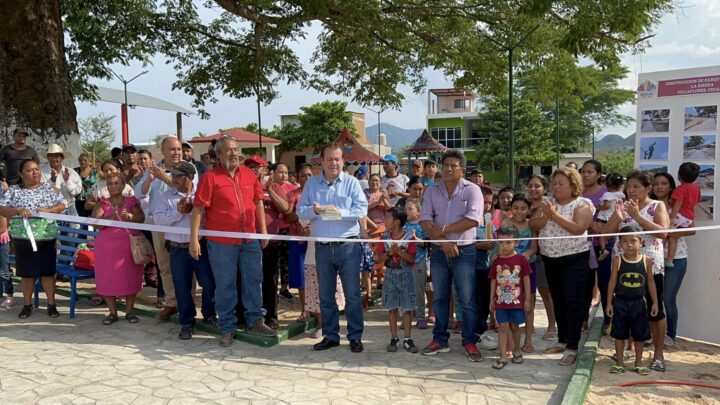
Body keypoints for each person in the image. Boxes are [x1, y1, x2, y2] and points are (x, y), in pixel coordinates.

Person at [190, 136, 276, 346]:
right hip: (221, 243)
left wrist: (262, 230)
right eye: (228, 150)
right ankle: (227, 326)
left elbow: (257, 203)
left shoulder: (248, 174)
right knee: (225, 284)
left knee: (254, 280)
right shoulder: (209, 178)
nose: (234, 153)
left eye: (236, 149)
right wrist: (194, 240)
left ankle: (255, 321)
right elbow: (198, 210)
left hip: (249, 239)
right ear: (218, 155)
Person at [297, 142, 368, 353]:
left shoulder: (352, 183)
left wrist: (335, 212)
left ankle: (355, 337)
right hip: (322, 247)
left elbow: (360, 210)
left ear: (342, 161)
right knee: (326, 295)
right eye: (329, 159)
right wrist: (315, 211)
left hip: (348, 246)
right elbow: (301, 211)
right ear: (322, 161)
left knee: (353, 294)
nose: (333, 163)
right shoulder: (311, 184)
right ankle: (331, 336)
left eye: (337, 159)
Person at [598, 170, 669, 372]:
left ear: (648, 188)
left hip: (649, 266)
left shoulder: (657, 205)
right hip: (622, 267)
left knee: (654, 310)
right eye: (629, 187)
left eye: (637, 186)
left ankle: (658, 355)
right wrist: (618, 216)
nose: (632, 190)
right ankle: (628, 350)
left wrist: (638, 216)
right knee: (625, 309)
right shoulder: (622, 205)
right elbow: (606, 233)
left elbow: (663, 232)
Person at [419, 149, 484, 361]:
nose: (448, 168)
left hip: (465, 250)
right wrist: (444, 242)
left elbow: (473, 220)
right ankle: (440, 338)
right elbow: (425, 220)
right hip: (439, 250)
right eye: (445, 164)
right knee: (440, 297)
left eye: (453, 165)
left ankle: (469, 341)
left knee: (466, 298)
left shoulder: (472, 190)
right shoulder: (431, 191)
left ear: (462, 170)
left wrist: (443, 230)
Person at [537, 167, 594, 366]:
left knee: (573, 301)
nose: (556, 187)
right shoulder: (548, 203)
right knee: (558, 301)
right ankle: (562, 340)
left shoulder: (583, 204)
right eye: (555, 183)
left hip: (575, 258)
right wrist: (545, 214)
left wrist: (553, 216)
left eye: (561, 183)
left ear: (573, 185)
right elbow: (534, 225)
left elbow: (579, 228)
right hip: (550, 258)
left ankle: (572, 346)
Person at [153, 161, 216, 339]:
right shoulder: (165, 196)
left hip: (201, 245)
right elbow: (159, 220)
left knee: (209, 282)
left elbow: (210, 217)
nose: (173, 179)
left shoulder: (202, 192)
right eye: (172, 175)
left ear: (189, 177)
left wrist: (193, 211)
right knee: (182, 287)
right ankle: (187, 322)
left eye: (177, 176)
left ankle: (209, 314)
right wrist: (179, 212)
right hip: (177, 249)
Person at [136, 137, 196, 321]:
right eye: (172, 149)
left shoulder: (188, 168)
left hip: (183, 223)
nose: (176, 152)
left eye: (178, 149)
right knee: (164, 265)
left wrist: (167, 179)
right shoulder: (155, 168)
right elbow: (140, 192)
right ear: (162, 151)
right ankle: (171, 302)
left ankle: (189, 303)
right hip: (160, 222)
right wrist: (151, 178)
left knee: (188, 266)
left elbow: (191, 190)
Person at [0, 159, 65, 319]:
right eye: (30, 170)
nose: (35, 172)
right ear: (22, 174)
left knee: (48, 273)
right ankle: (27, 305)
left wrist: (48, 210)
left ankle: (51, 305)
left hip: (46, 237)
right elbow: (2, 208)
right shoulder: (14, 190)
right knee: (27, 274)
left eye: (37, 169)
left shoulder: (48, 188)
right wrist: (17, 210)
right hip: (23, 239)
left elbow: (62, 205)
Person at [91, 174, 146, 325]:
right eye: (110, 183)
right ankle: (112, 312)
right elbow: (95, 223)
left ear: (123, 186)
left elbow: (141, 218)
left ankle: (129, 311)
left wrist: (129, 216)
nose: (113, 186)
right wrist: (111, 218)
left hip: (128, 247)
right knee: (108, 278)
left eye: (117, 183)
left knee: (130, 277)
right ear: (106, 186)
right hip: (107, 249)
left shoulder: (131, 201)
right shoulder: (102, 203)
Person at [607, 225, 658, 376]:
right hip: (620, 302)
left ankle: (638, 362)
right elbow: (612, 282)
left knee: (639, 334)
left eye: (633, 241)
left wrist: (654, 302)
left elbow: (650, 282)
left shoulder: (646, 260)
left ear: (641, 242)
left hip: (639, 303)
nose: (629, 245)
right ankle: (620, 362)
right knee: (619, 333)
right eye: (625, 241)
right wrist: (609, 302)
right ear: (619, 244)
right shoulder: (618, 260)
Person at [651, 173, 692, 348]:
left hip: (676, 259)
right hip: (653, 257)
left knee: (668, 298)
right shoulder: (649, 206)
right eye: (656, 184)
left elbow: (692, 230)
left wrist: (670, 234)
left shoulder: (677, 207)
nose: (659, 187)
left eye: (664, 183)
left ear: (671, 186)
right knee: (652, 298)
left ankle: (670, 335)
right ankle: (651, 334)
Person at [373, 207, 419, 353]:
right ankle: (393, 338)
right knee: (392, 307)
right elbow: (378, 258)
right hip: (390, 275)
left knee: (407, 308)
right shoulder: (385, 238)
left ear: (397, 222)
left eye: (387, 218)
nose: (384, 221)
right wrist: (389, 253)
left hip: (406, 275)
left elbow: (411, 258)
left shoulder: (409, 238)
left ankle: (407, 338)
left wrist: (399, 251)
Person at [489, 225, 532, 370]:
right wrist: (491, 299)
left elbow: (526, 279)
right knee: (502, 327)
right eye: (501, 242)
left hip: (516, 301)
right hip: (501, 302)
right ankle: (502, 355)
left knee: (515, 326)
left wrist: (527, 299)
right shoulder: (496, 261)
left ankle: (517, 351)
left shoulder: (521, 260)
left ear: (516, 242)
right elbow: (493, 280)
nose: (504, 246)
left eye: (508, 242)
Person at [259, 163, 297, 329]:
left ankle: (271, 316)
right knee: (251, 279)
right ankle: (250, 314)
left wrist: (269, 189)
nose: (283, 175)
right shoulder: (251, 186)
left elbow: (284, 209)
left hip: (272, 240)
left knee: (270, 278)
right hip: (250, 240)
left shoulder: (281, 189)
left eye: (285, 172)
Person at [502, 193, 538, 353]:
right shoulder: (505, 223)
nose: (519, 211)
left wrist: (528, 254)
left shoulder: (532, 225)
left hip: (529, 267)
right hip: (509, 272)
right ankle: (510, 343)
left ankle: (528, 339)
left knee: (529, 304)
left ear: (529, 209)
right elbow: (500, 246)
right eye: (515, 208)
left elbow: (534, 246)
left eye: (523, 208)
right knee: (509, 303)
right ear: (511, 208)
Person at [526, 175, 557, 341]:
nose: (533, 189)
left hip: (543, 253)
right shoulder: (523, 204)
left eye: (537, 186)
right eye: (530, 185)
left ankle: (552, 325)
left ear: (545, 188)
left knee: (545, 292)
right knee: (526, 292)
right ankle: (528, 325)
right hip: (524, 254)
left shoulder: (549, 204)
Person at [580, 160, 610, 331]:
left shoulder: (607, 193)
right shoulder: (577, 194)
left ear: (599, 174)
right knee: (584, 284)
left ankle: (608, 321)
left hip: (604, 246)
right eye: (583, 172)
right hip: (583, 245)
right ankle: (583, 320)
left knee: (605, 285)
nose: (586, 175)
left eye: (590, 172)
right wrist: (591, 223)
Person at [285, 163, 313, 321]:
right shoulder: (292, 194)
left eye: (310, 175)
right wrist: (302, 212)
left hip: (315, 240)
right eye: (304, 175)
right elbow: (288, 217)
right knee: (302, 276)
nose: (307, 178)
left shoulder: (318, 193)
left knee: (318, 275)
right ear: (297, 177)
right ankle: (305, 309)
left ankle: (318, 308)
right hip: (298, 240)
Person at [474, 186, 498, 350]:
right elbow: (463, 242)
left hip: (487, 267)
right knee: (474, 301)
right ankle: (476, 332)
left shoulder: (489, 222)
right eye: (484, 202)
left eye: (489, 203)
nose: (487, 206)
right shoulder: (470, 220)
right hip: (471, 267)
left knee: (484, 301)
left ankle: (481, 330)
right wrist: (479, 245)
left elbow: (495, 241)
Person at [402, 199, 431, 329]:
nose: (406, 211)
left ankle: (420, 317)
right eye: (405, 209)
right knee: (405, 290)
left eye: (410, 209)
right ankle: (406, 316)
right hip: (404, 261)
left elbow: (427, 244)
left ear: (418, 212)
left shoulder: (422, 226)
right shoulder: (402, 225)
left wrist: (416, 239)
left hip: (419, 260)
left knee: (419, 290)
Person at [665, 162, 701, 268]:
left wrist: (671, 217)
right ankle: (670, 260)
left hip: (679, 216)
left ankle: (668, 259)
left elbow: (678, 203)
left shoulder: (681, 189)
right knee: (674, 237)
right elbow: (695, 202)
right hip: (688, 218)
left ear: (678, 177)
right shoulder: (696, 189)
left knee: (665, 234)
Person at [40, 144, 82, 216]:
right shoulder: (42, 172)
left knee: (74, 227)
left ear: (62, 158)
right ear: (47, 158)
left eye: (57, 156)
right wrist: (52, 182)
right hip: (51, 209)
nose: (54, 159)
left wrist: (67, 180)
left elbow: (76, 192)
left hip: (70, 207)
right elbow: (41, 192)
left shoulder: (70, 172)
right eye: (51, 156)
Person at [596, 173, 625, 261]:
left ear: (607, 184)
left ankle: (603, 249)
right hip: (616, 216)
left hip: (606, 217)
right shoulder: (621, 194)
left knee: (601, 234)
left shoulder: (607, 195)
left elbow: (607, 206)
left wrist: (597, 207)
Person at [74, 153, 99, 217]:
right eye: (81, 160)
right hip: (79, 200)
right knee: (83, 223)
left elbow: (100, 181)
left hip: (92, 201)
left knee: (94, 220)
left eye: (85, 160)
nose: (83, 162)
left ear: (89, 160)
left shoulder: (95, 171)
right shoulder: (75, 171)